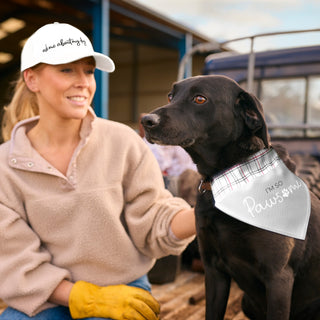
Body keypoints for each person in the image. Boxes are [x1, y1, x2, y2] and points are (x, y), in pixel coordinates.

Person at [0, 22, 196, 320]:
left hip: (124, 285)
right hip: (49, 294)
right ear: (32, 79)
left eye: (89, 71)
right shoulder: (5, 166)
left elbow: (153, 217)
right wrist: (86, 298)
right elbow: (13, 260)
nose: (84, 82)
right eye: (67, 70)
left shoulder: (123, 141)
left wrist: (207, 210)